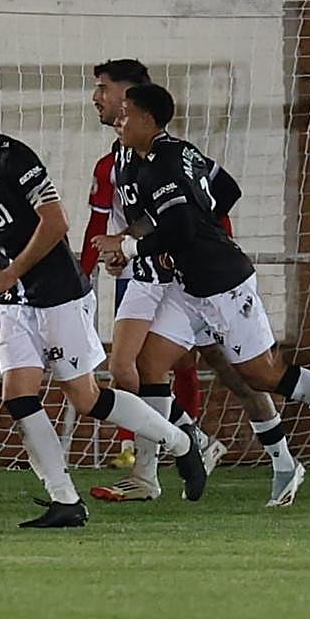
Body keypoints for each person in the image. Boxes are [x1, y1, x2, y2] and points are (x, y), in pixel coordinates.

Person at [0, 70, 207, 530]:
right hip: (18, 303)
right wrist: (0, 277)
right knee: (18, 395)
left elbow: (56, 221)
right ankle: (65, 501)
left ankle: (179, 442)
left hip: (57, 295)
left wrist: (12, 270)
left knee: (86, 398)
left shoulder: (13, 156)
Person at [94, 83, 310, 477]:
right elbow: (208, 199)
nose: (119, 119)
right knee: (148, 364)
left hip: (222, 283)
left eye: (125, 110)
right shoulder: (149, 158)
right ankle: (145, 476)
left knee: (261, 375)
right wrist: (148, 235)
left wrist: (133, 247)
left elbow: (183, 227)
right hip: (186, 285)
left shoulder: (165, 160)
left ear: (147, 117)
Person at [81, 59, 205, 471]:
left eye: (104, 88)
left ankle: (273, 453)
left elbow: (207, 203)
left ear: (129, 97)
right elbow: (140, 218)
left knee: (247, 372)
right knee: (127, 366)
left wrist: (133, 244)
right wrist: (120, 249)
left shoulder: (172, 155)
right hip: (144, 273)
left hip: (188, 275)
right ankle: (176, 446)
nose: (97, 97)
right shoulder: (115, 159)